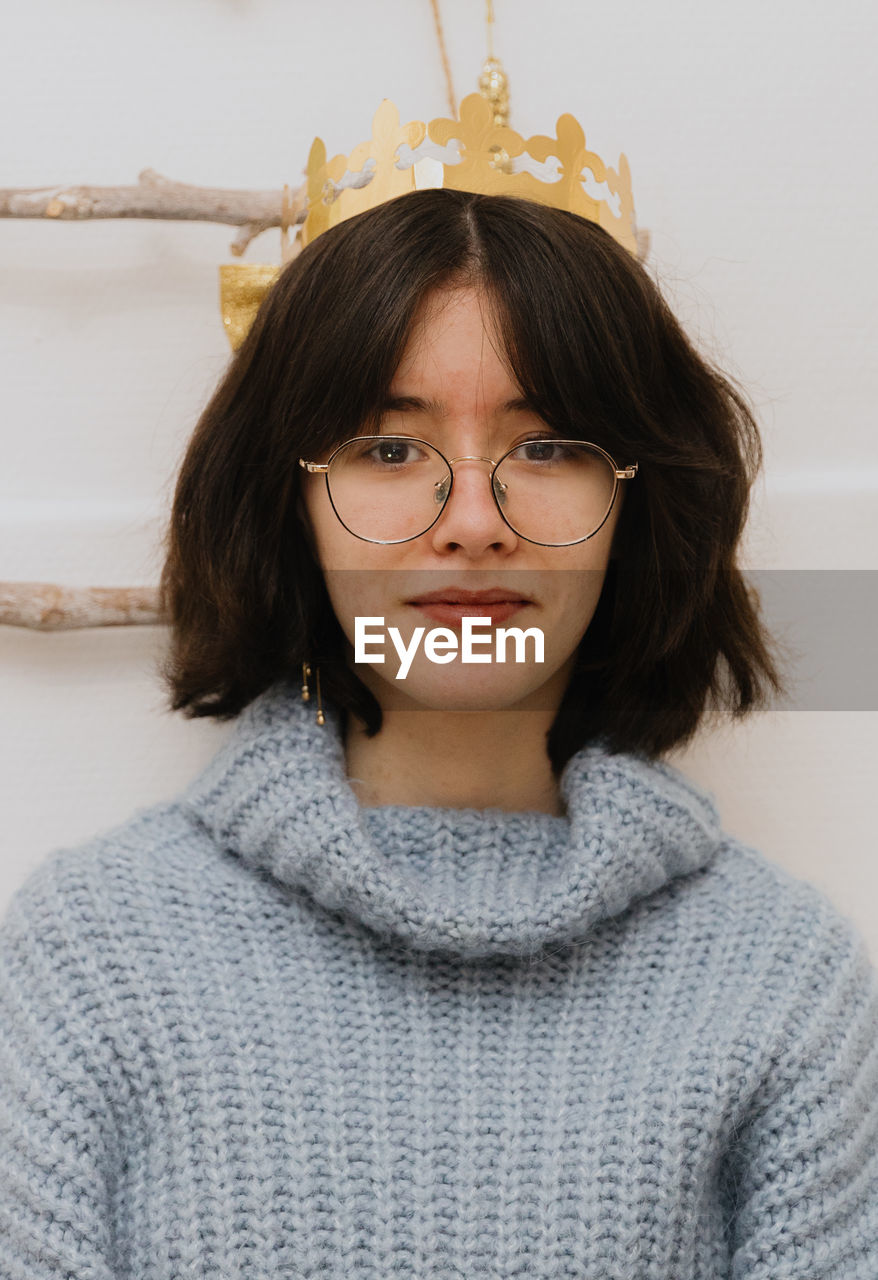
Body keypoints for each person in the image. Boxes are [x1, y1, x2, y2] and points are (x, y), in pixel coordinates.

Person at [1, 187, 876, 1279]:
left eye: (547, 444)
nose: (472, 519)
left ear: (640, 498)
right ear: (289, 502)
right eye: (387, 445)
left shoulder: (778, 975)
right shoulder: (93, 952)